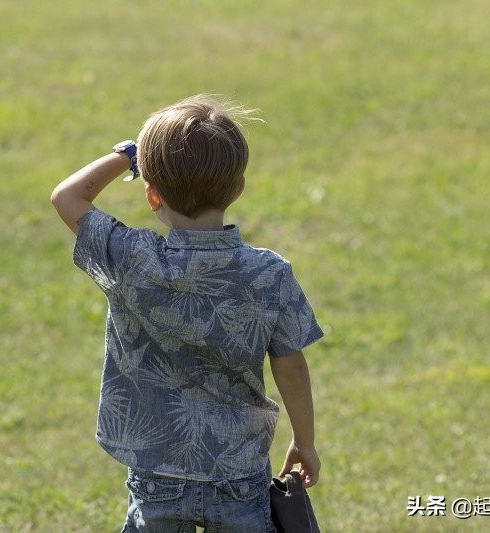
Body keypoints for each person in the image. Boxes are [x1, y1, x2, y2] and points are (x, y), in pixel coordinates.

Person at [51, 95, 323, 532]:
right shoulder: (269, 274)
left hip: (155, 467)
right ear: (237, 188)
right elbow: (290, 364)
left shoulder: (130, 260)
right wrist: (304, 442)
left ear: (152, 195)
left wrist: (127, 156)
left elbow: (67, 197)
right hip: (238, 471)